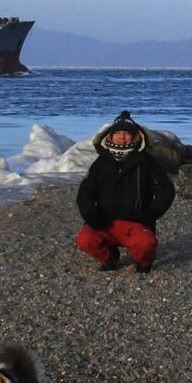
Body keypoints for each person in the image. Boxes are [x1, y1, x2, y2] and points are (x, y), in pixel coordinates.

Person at [74, 112, 174, 274]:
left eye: (127, 133)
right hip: (104, 221)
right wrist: (90, 214)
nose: (122, 137)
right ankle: (109, 258)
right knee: (84, 240)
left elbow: (166, 189)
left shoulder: (146, 161)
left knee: (146, 244)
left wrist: (152, 213)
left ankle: (143, 262)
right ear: (110, 136)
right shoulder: (100, 163)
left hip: (136, 222)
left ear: (135, 137)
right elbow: (85, 193)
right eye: (118, 133)